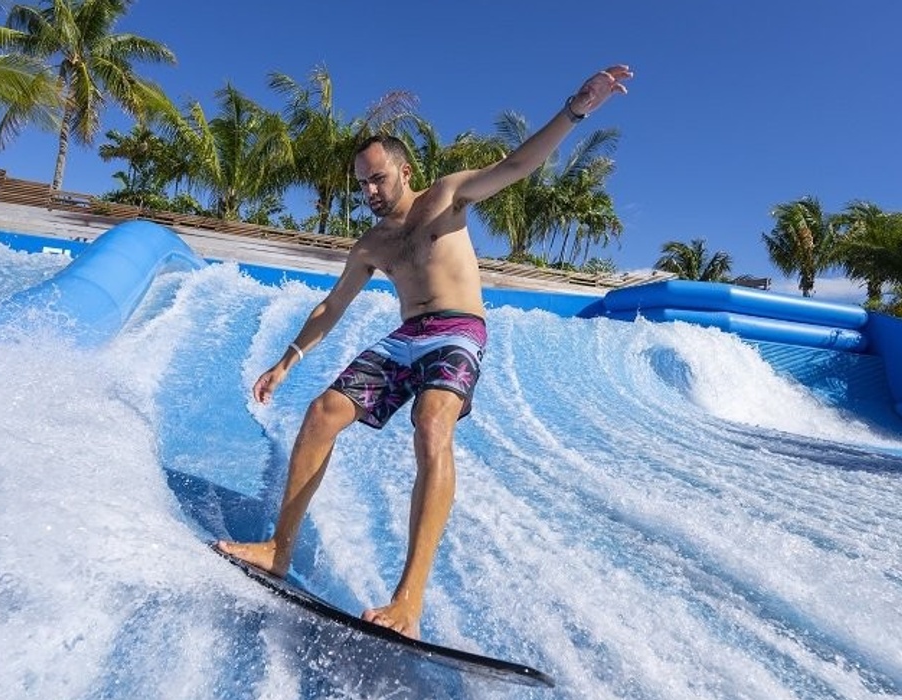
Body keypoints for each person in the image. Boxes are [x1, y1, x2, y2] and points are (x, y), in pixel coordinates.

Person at [217, 65, 633, 639]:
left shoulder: (445, 197)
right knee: (321, 414)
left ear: (404, 170)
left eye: (378, 178)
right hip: (406, 337)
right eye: (361, 183)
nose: (369, 192)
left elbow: (516, 165)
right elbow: (331, 307)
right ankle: (277, 549)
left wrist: (575, 110)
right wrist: (286, 360)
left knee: (431, 423)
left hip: (460, 330)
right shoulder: (372, 243)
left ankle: (407, 602)